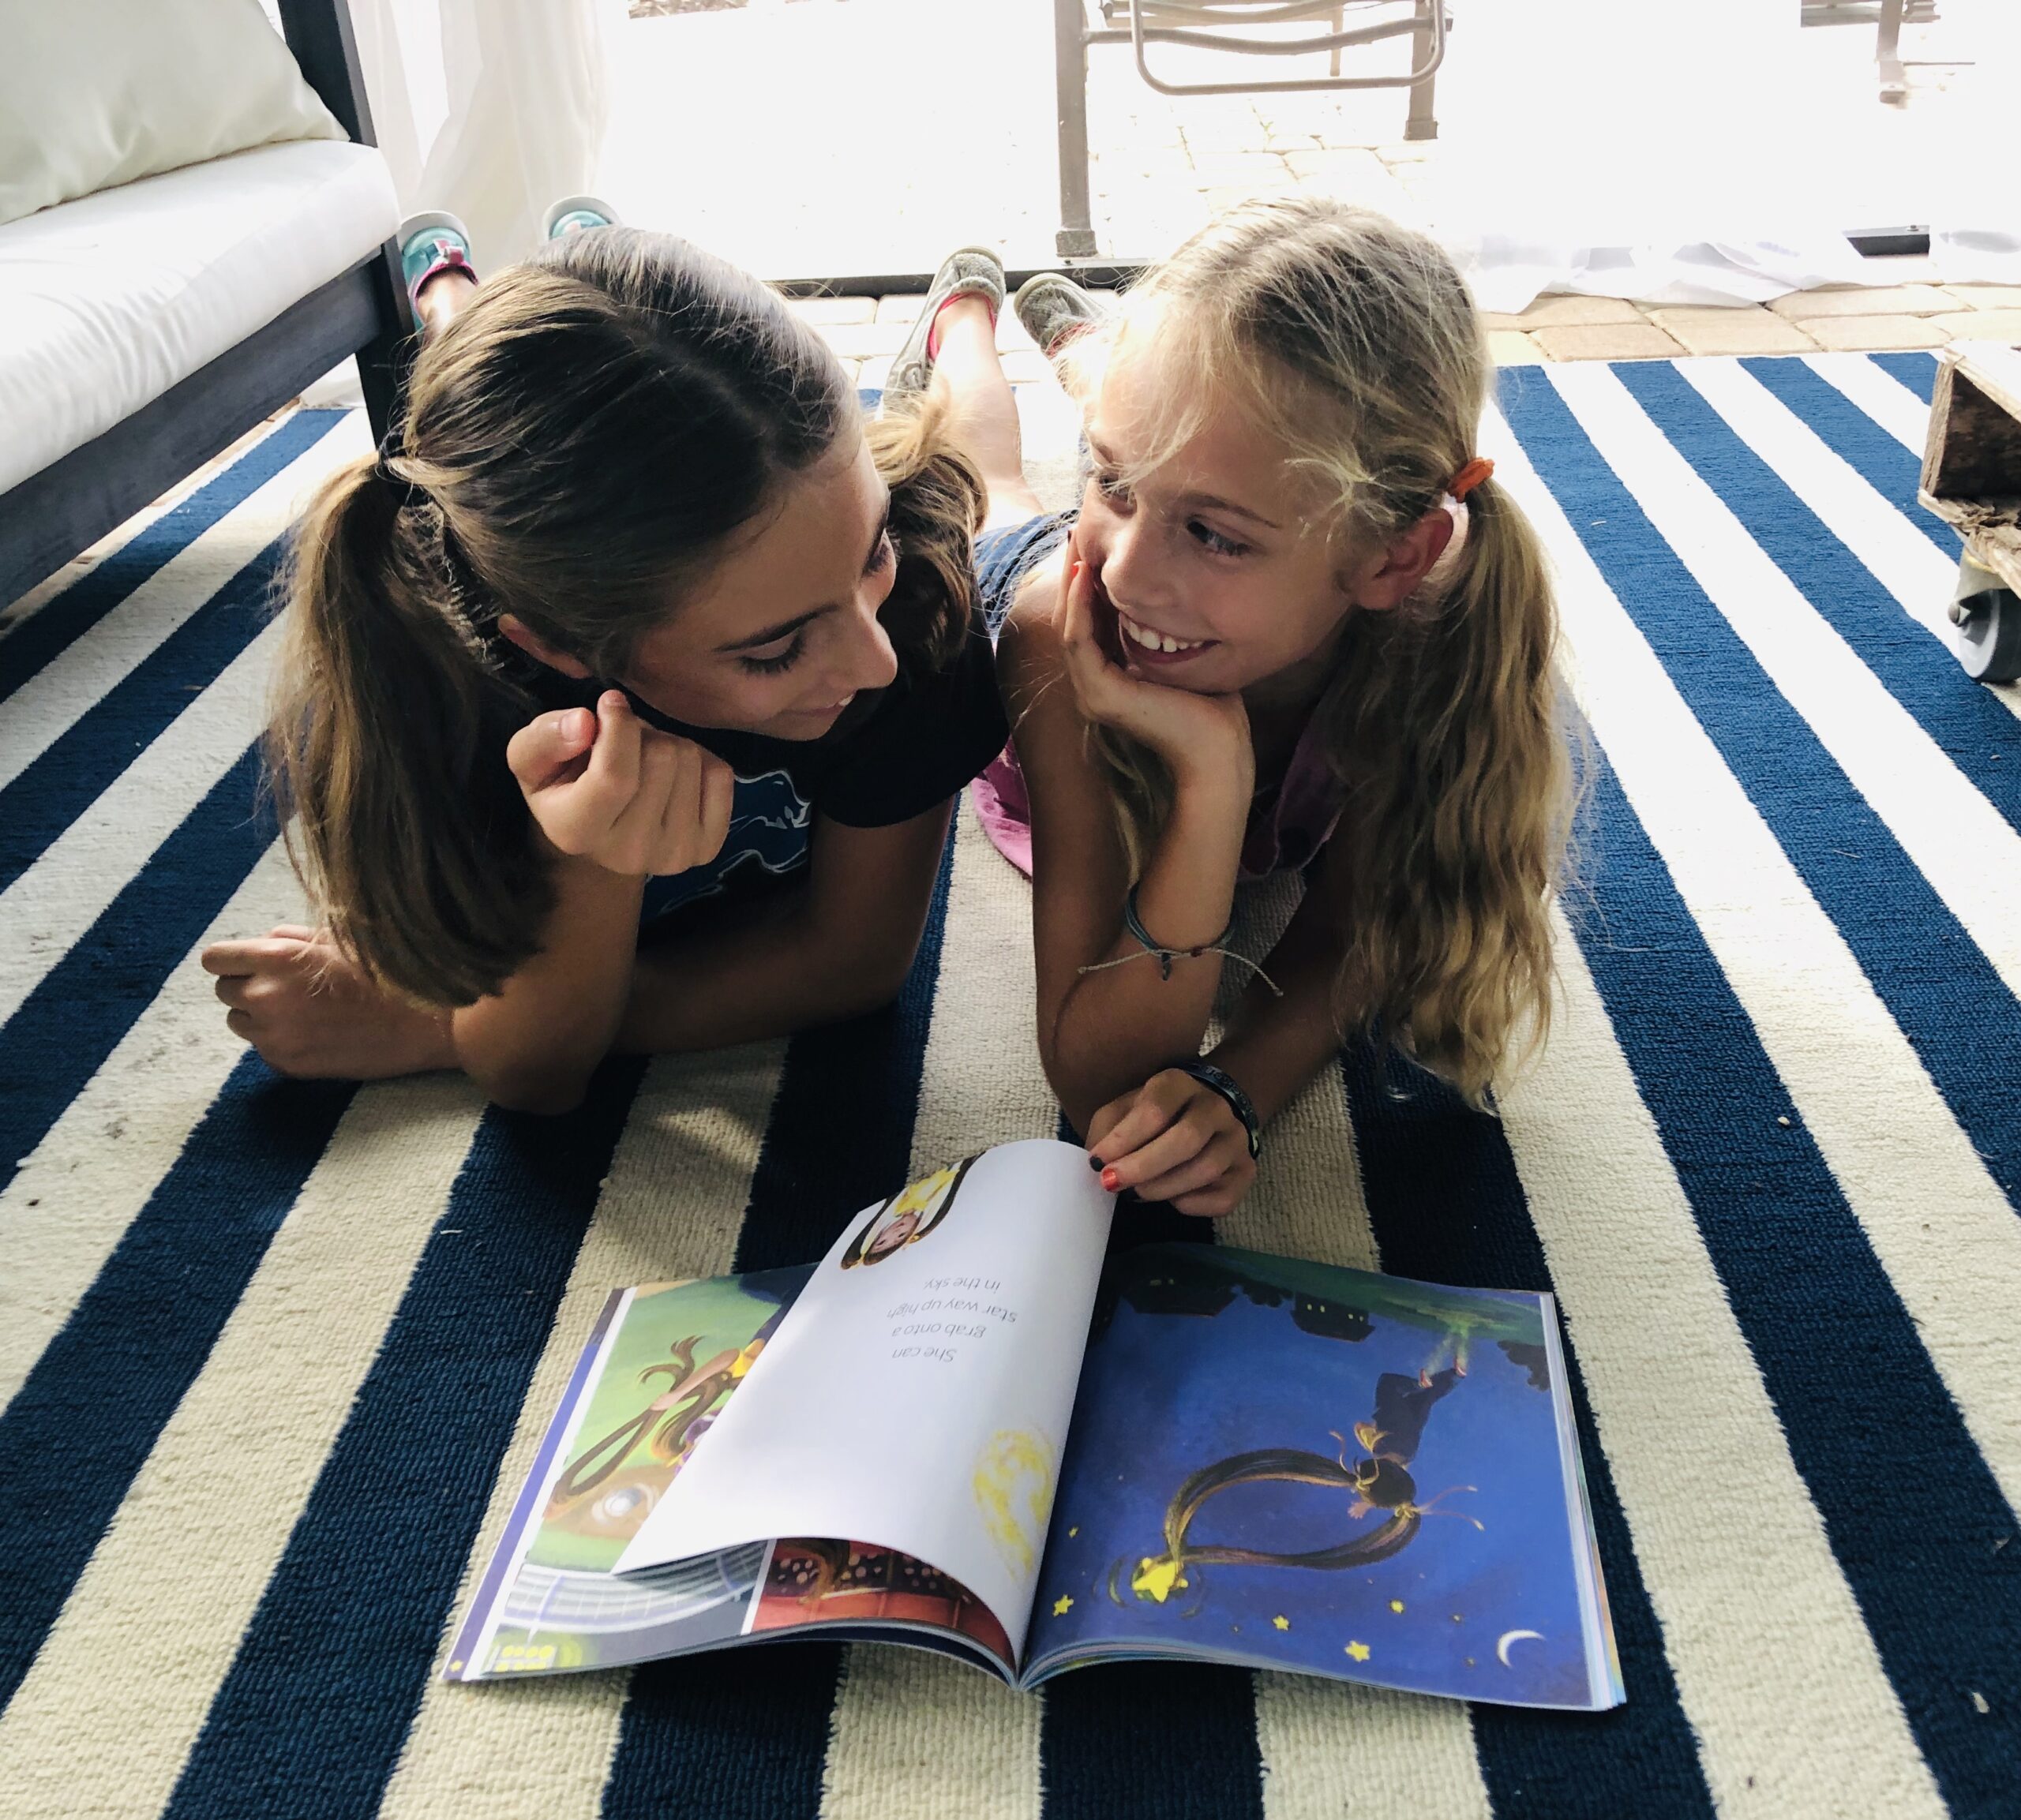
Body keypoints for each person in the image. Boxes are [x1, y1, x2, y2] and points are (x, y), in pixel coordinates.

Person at [201, 219, 1007, 1114]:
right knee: (463, 396)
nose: (878, 658)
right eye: (774, 649)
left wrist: (446, 1029)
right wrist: (588, 858)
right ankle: (445, 295)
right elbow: (539, 1078)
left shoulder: (917, 606)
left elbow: (848, 964)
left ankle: (964, 322)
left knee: (987, 464)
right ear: (556, 647)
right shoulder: (434, 686)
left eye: (872, 546)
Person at [909, 200, 1573, 1217]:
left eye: (1216, 534)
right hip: (1027, 573)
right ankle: (966, 317)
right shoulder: (1068, 623)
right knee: (988, 484)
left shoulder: (1435, 640)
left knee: (1146, 443)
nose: (1128, 576)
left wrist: (1240, 1084)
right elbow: (1098, 1082)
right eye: (1111, 478)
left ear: (1392, 559)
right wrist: (1210, 785)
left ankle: (1088, 353)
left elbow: (1356, 923)